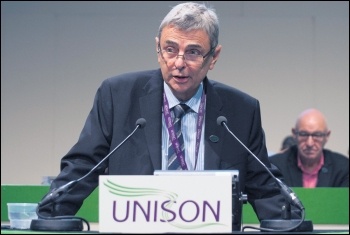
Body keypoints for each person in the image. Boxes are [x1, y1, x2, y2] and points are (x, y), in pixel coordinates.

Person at [39, 2, 300, 224]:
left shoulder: (240, 111)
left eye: (193, 52)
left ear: (214, 57)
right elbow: (84, 166)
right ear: (157, 49)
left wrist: (291, 222)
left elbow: (263, 183)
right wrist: (51, 214)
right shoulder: (118, 96)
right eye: (170, 49)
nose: (178, 63)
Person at [269, 108, 349, 187]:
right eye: (304, 134)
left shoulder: (343, 167)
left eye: (317, 135)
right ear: (294, 134)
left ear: (327, 135)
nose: (309, 143)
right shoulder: (274, 166)